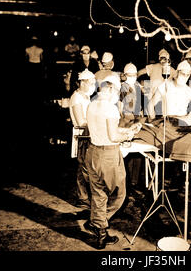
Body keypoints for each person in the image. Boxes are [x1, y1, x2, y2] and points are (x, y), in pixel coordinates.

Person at [84, 75, 140, 249]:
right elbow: (113, 136)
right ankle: (99, 222)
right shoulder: (110, 108)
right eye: (117, 92)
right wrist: (129, 134)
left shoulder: (92, 104)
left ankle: (100, 230)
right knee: (119, 193)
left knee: (99, 195)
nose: (118, 96)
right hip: (108, 156)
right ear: (110, 88)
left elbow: (104, 128)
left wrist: (126, 129)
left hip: (92, 153)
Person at [68, 69, 97, 210]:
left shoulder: (85, 97)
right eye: (91, 83)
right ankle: (83, 199)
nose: (93, 85)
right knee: (83, 168)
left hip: (89, 134)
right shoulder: (76, 98)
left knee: (86, 168)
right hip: (82, 136)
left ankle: (85, 198)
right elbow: (80, 121)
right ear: (82, 83)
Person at [120, 63, 145, 193]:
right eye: (129, 75)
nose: (132, 77)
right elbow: (124, 109)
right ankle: (128, 182)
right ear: (125, 76)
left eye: (134, 75)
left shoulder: (137, 86)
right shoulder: (122, 88)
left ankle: (135, 181)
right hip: (126, 121)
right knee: (128, 152)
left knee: (139, 151)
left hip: (136, 120)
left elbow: (139, 105)